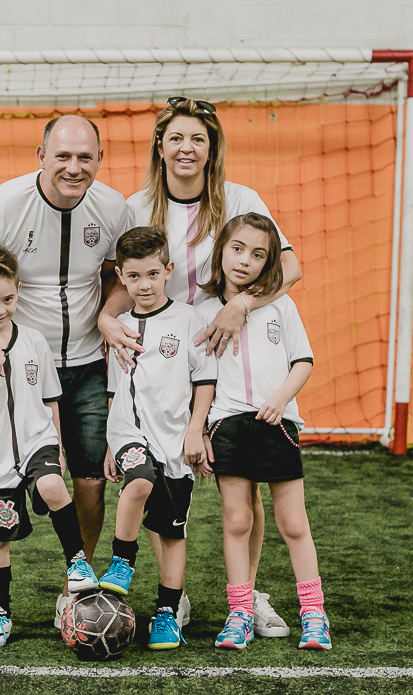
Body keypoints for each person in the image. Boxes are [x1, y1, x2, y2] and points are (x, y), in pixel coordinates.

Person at [97, 96, 304, 637]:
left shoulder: (240, 199)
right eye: (176, 138)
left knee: (243, 486)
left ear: (212, 149)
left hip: (227, 356)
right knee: (161, 479)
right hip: (161, 365)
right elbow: (122, 281)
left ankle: (249, 598)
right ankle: (175, 598)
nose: (186, 148)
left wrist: (242, 305)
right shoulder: (136, 207)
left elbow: (290, 266)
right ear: (160, 146)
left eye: (198, 139)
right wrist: (105, 318)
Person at [0, 115, 132, 634]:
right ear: (41, 156)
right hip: (16, 368)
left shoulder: (114, 208)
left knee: (89, 481)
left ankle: (75, 592)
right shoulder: (1, 206)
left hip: (87, 364)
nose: (74, 167)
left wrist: (108, 315)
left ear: (99, 159)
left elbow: (119, 276)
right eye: (63, 155)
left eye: (85, 157)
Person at [0, 246, 100, 648]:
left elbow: (51, 398)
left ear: (19, 291)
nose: (0, 310)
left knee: (52, 485)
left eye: (8, 299)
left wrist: (59, 447)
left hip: (38, 441)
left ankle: (77, 563)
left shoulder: (33, 340)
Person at [193, 213, 330, 651]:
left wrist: (280, 399)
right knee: (237, 521)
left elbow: (303, 361)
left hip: (277, 424)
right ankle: (240, 613)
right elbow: (200, 380)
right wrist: (201, 430)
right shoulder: (202, 312)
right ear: (221, 251)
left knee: (293, 523)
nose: (245, 261)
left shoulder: (280, 305)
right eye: (237, 249)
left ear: (269, 263)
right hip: (227, 426)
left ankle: (314, 614)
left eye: (257, 255)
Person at [98, 227, 216, 650]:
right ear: (121, 276)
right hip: (129, 433)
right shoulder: (119, 327)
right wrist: (111, 444)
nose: (143, 285)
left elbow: (204, 380)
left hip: (175, 442)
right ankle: (122, 560)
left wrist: (196, 430)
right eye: (133, 276)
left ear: (168, 270)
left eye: (152, 274)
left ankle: (167, 613)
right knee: (140, 480)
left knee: (172, 533)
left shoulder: (189, 319)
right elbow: (115, 388)